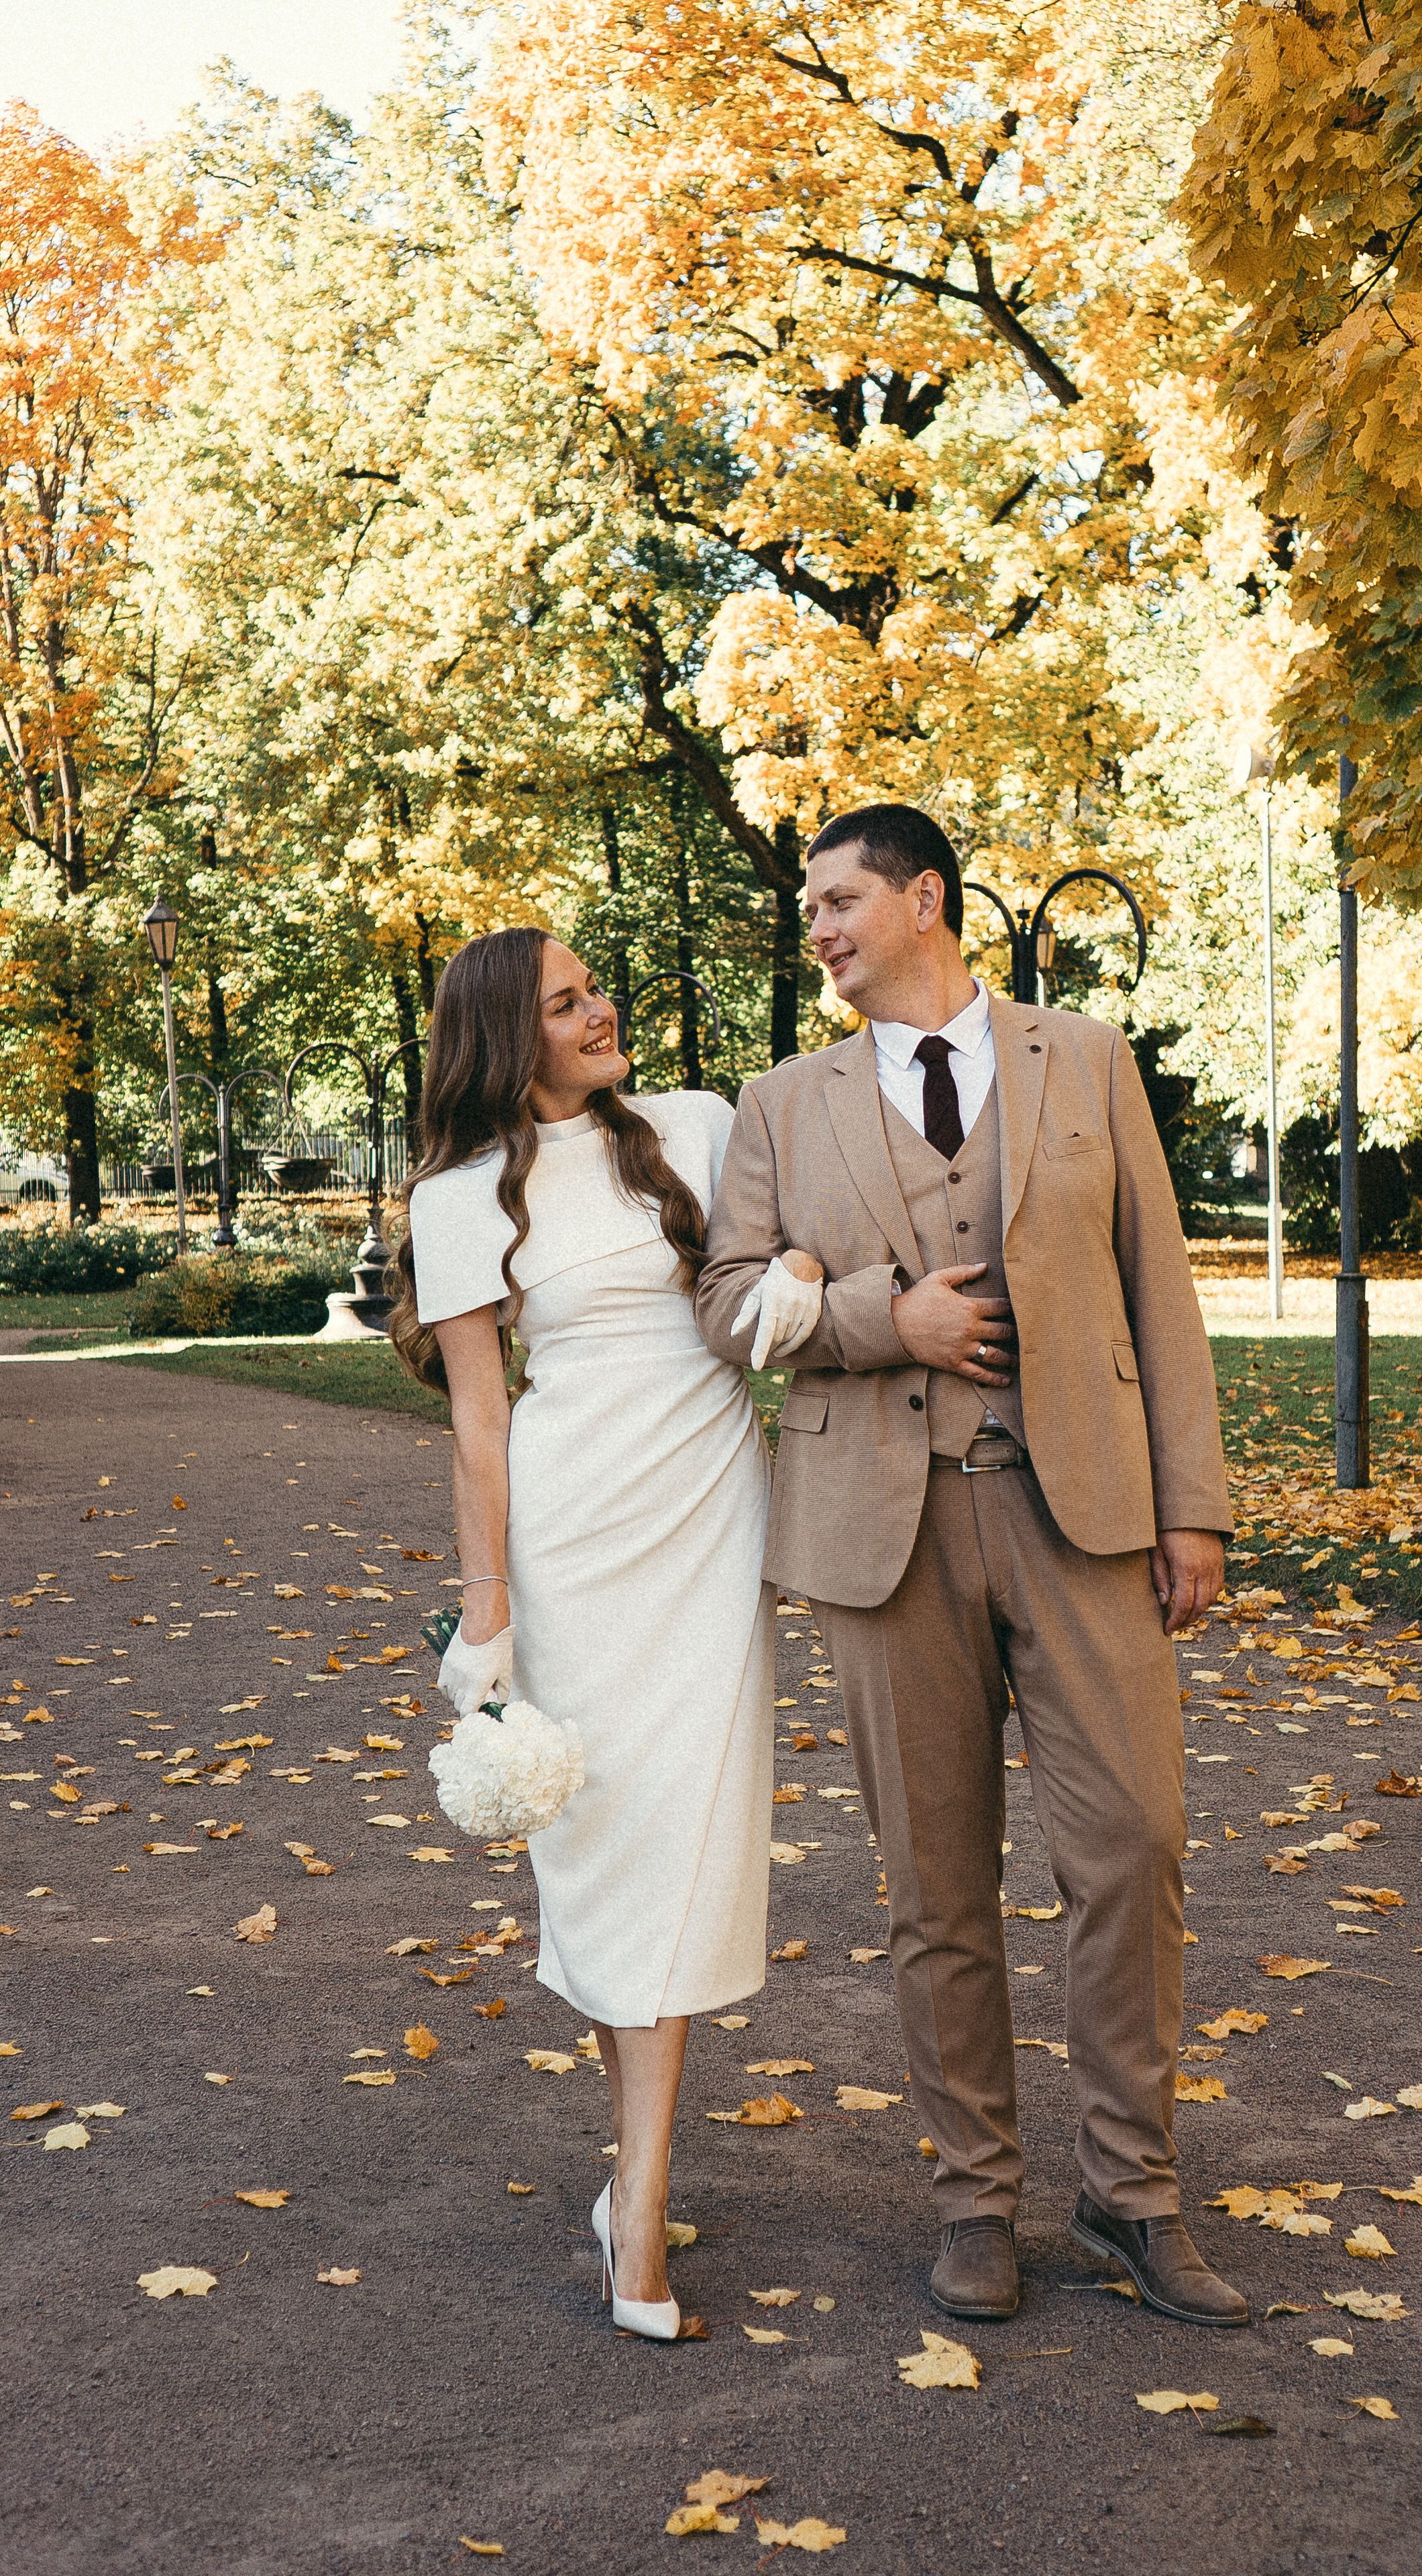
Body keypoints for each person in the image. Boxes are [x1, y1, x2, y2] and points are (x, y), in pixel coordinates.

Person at [694, 805, 1247, 2329]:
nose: (814, 927)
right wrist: (886, 1317)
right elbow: (728, 1302)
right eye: (808, 906)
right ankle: (973, 2206)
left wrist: (1188, 1507)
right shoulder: (779, 1103)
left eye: (837, 899)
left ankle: (1130, 2196)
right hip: (886, 1533)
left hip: (1084, 1516)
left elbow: (1160, 1289)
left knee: (1131, 1848)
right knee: (936, 1889)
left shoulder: (1085, 1057)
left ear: (924, 901)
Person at [390, 927, 822, 2342]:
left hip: (708, 1527)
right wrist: (490, 1612)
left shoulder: (696, 1126)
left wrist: (798, 1293)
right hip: (574, 1545)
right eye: (568, 1002)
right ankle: (635, 2207)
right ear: (510, 1038)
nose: (600, 1009)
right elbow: (475, 1418)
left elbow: (769, 1286)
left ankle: (632, 2196)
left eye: (597, 989)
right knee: (604, 1863)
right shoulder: (457, 1198)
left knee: (684, 1850)